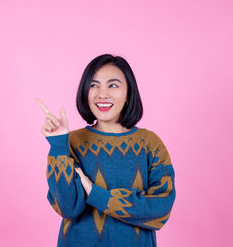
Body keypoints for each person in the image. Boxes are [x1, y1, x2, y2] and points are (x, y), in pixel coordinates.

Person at [35, 54, 176, 247]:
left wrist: (97, 195)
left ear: (128, 93)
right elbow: (67, 208)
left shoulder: (149, 143)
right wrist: (59, 144)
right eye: (94, 85)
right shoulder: (71, 142)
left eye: (113, 85)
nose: (102, 94)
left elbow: (161, 208)